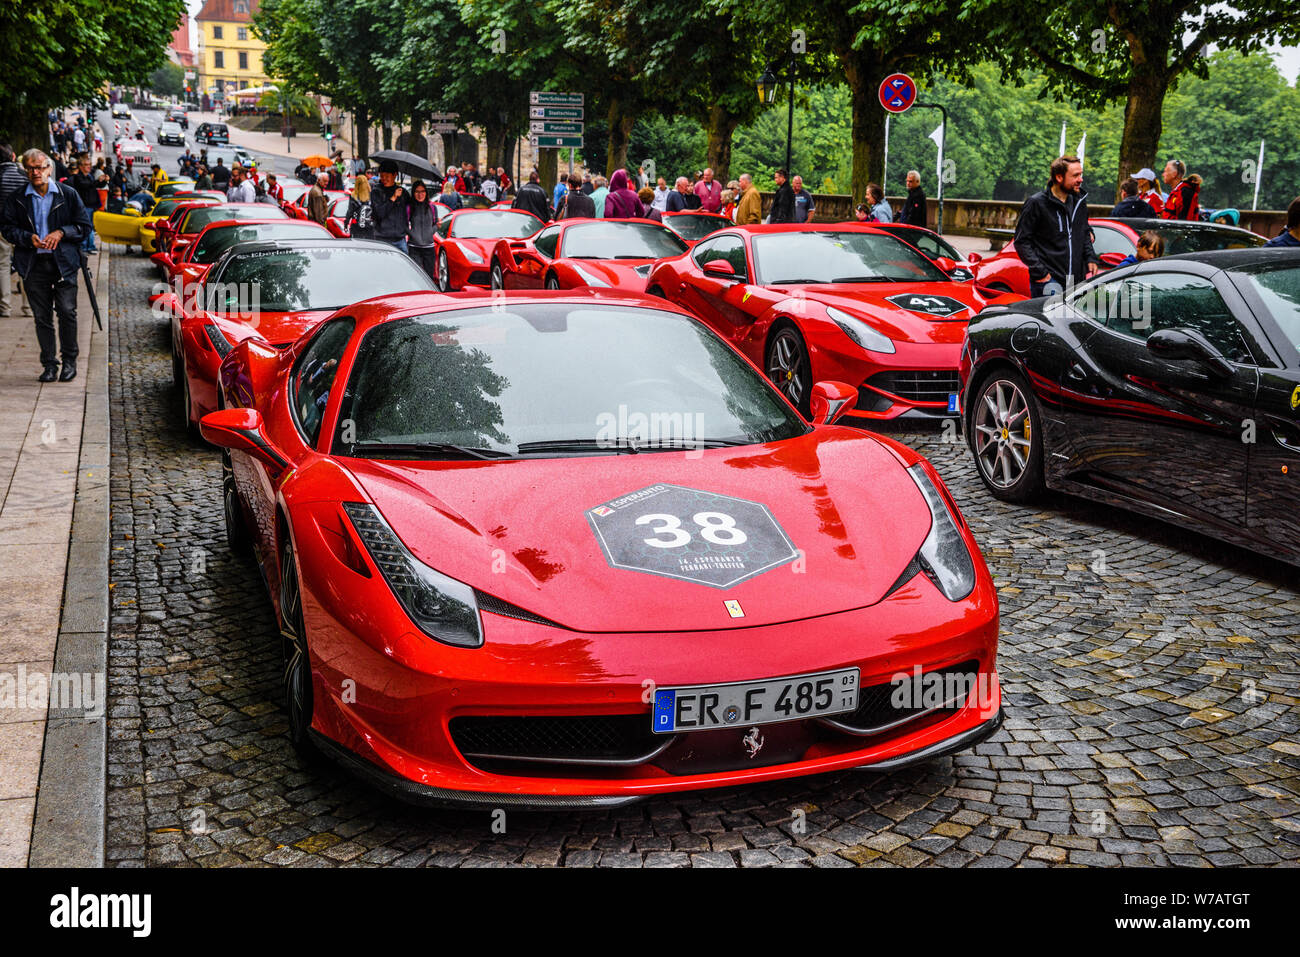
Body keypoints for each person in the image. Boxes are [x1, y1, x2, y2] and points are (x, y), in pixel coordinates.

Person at [1, 149, 92, 381]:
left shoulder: (67, 194)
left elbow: (84, 227)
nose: (36, 172)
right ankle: (50, 364)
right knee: (42, 317)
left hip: (64, 264)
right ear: (25, 170)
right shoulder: (18, 198)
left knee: (67, 313)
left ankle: (70, 362)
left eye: (40, 167)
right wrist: (26, 238)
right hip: (33, 264)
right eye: (31, 168)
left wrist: (61, 232)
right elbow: (7, 228)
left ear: (49, 169)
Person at [1012, 154, 1100, 297]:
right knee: (1052, 320)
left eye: (1081, 174)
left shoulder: (1079, 202)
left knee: (1075, 320)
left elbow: (1084, 232)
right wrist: (1041, 273)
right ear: (1059, 177)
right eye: (1076, 175)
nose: (1081, 180)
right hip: (1049, 282)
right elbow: (1022, 241)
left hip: (1076, 282)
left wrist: (1090, 258)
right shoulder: (1036, 203)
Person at [0, 144, 27, 318]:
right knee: (24, 265)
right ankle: (28, 306)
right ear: (13, 156)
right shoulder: (23, 176)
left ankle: (5, 306)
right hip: (21, 227)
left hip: (1, 226)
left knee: (2, 265)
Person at [371, 160, 411, 249]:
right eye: (382, 176)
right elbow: (379, 213)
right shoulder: (376, 191)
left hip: (400, 239)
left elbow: (412, 209)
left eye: (387, 176)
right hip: (382, 239)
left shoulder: (403, 192)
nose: (384, 179)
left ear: (395, 175)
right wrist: (393, 198)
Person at [406, 181, 439, 282]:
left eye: (422, 191)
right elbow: (404, 225)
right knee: (416, 276)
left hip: (429, 248)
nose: (420, 194)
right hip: (414, 248)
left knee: (429, 277)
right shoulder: (409, 207)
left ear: (426, 192)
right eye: (417, 192)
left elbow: (436, 224)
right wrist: (413, 235)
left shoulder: (432, 207)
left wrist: (431, 231)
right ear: (413, 193)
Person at [70, 155, 101, 253]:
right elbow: (85, 185)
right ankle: (84, 247)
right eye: (86, 165)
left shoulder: (90, 176)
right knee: (85, 226)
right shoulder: (78, 177)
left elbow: (95, 186)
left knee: (90, 226)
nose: (89, 167)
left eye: (89, 164)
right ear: (80, 166)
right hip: (84, 205)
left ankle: (90, 246)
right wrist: (97, 181)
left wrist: (104, 181)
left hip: (91, 205)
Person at [345, 174, 375, 239]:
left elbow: (350, 211)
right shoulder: (372, 195)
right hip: (369, 226)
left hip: (356, 226)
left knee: (357, 244)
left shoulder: (354, 196)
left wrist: (346, 223)